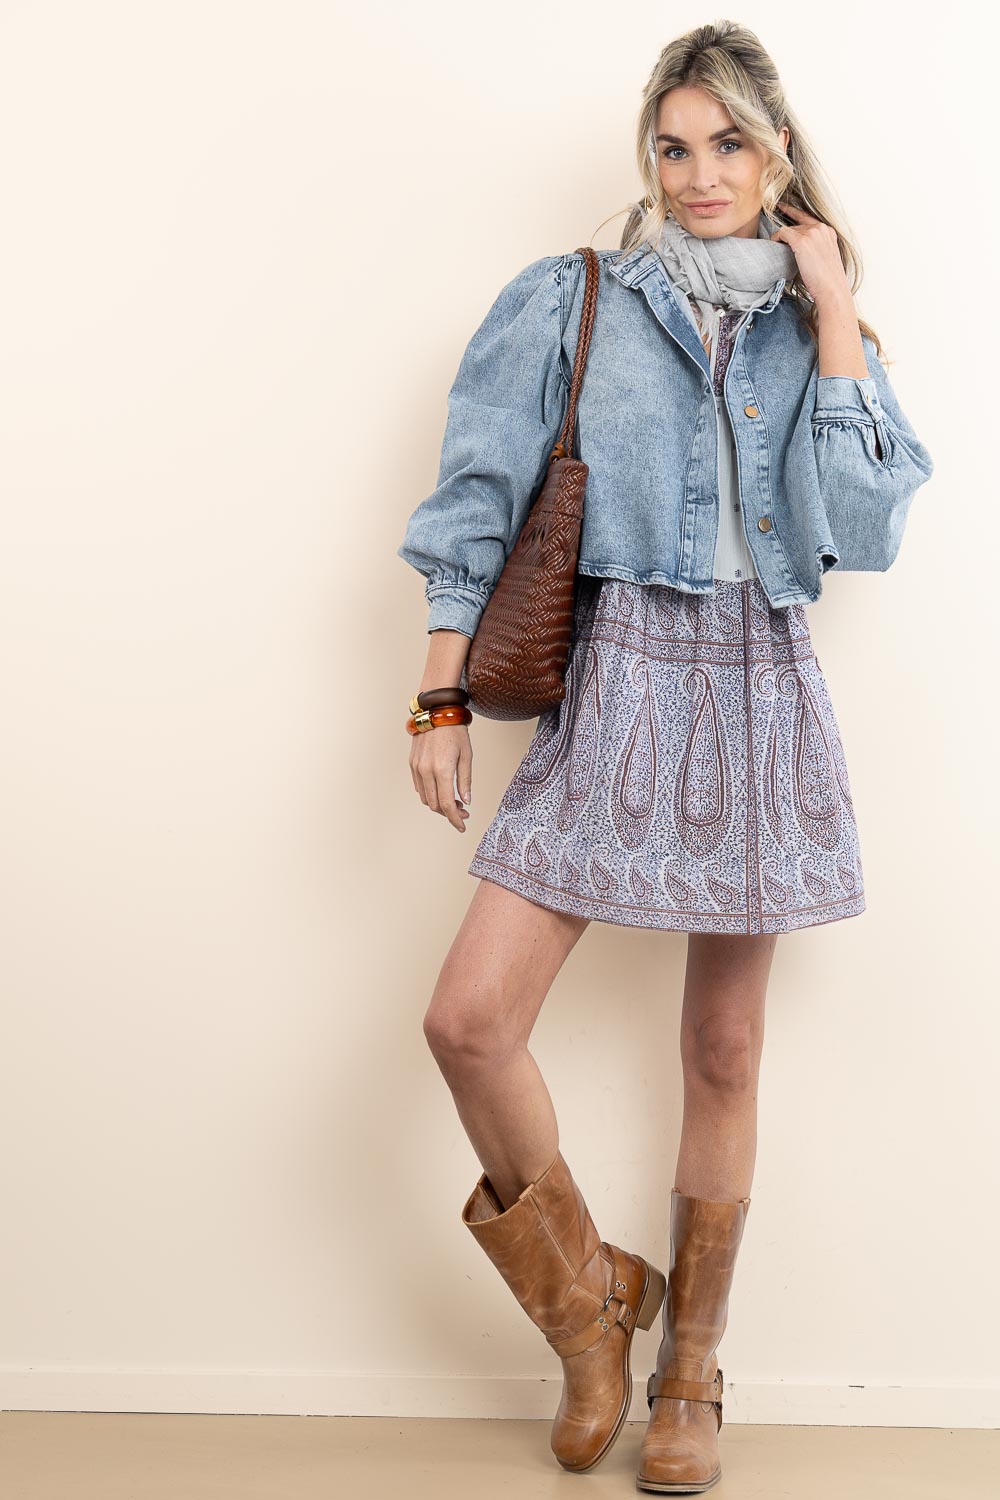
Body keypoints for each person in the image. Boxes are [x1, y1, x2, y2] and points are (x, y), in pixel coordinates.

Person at [396, 19, 934, 1494]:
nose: (698, 174)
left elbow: (866, 532)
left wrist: (834, 314)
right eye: (675, 146)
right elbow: (478, 492)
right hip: (618, 680)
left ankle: (692, 1367)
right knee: (468, 1021)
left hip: (759, 689)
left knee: (723, 1047)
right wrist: (439, 692)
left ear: (777, 156)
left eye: (729, 144)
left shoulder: (821, 328)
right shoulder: (572, 298)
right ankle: (589, 1313)